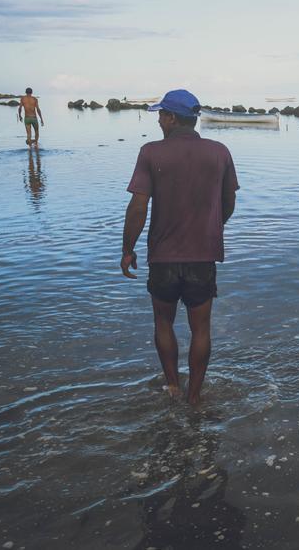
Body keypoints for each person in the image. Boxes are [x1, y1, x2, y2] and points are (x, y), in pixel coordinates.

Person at [121, 89, 239, 405]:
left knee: (163, 322)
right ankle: (195, 397)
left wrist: (127, 249)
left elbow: (137, 207)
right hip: (203, 256)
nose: (158, 119)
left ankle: (173, 386)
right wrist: (212, 228)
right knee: (201, 328)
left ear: (172, 118)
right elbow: (229, 201)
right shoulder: (220, 152)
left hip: (163, 257)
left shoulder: (151, 152)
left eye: (161, 114)